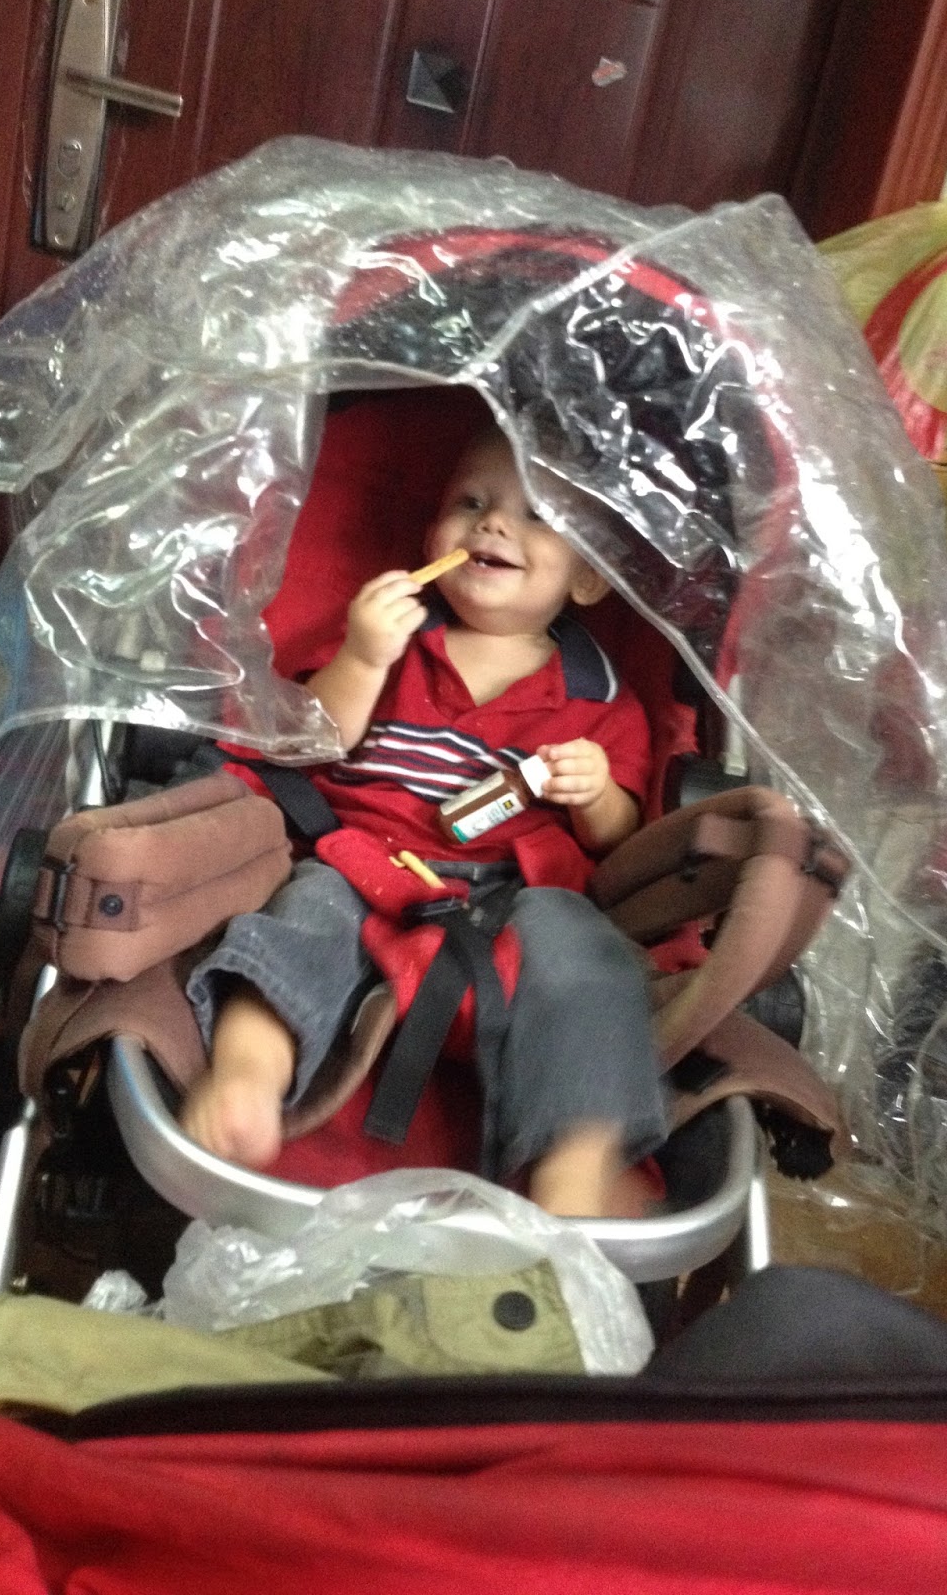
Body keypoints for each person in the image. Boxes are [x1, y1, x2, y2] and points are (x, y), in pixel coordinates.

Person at [179, 422, 667, 1216]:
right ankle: (249, 1072)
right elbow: (309, 743)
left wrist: (597, 793)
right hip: (364, 864)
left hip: (519, 894)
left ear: (588, 577)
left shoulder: (601, 697)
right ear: (432, 535)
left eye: (537, 514)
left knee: (588, 957)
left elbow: (619, 844)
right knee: (301, 917)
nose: (493, 522)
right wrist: (363, 658)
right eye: (469, 502)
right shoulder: (393, 637)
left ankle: (579, 1153)